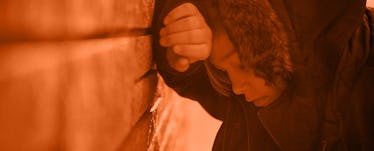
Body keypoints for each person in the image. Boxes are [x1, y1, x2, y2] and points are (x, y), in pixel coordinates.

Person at [151, 0, 374, 150]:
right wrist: (180, 38)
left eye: (240, 63)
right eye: (223, 71)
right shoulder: (251, 107)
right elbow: (193, 79)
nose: (237, 87)